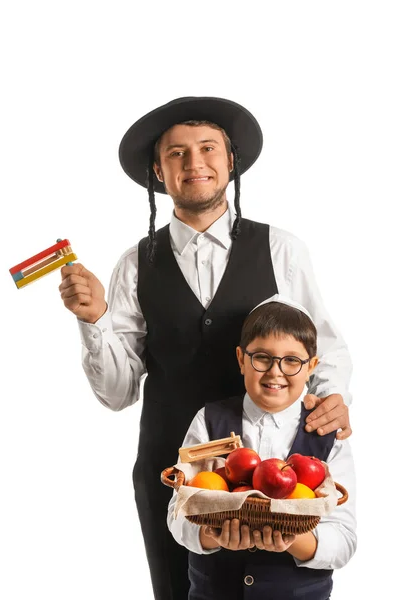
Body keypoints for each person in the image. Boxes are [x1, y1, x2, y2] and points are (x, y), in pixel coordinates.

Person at [59, 96, 353, 600]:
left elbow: (324, 347)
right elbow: (117, 392)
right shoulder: (135, 264)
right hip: (174, 471)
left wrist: (330, 403)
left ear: (230, 160)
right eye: (176, 153)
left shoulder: (281, 248)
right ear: (158, 171)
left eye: (207, 148)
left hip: (275, 464)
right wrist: (95, 322)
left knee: (285, 583)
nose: (194, 163)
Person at [167, 295, 356, 600]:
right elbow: (177, 515)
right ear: (241, 359)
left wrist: (294, 538)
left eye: (292, 360)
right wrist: (212, 535)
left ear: (312, 367)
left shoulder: (326, 433)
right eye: (262, 357)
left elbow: (344, 539)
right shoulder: (208, 420)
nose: (275, 372)